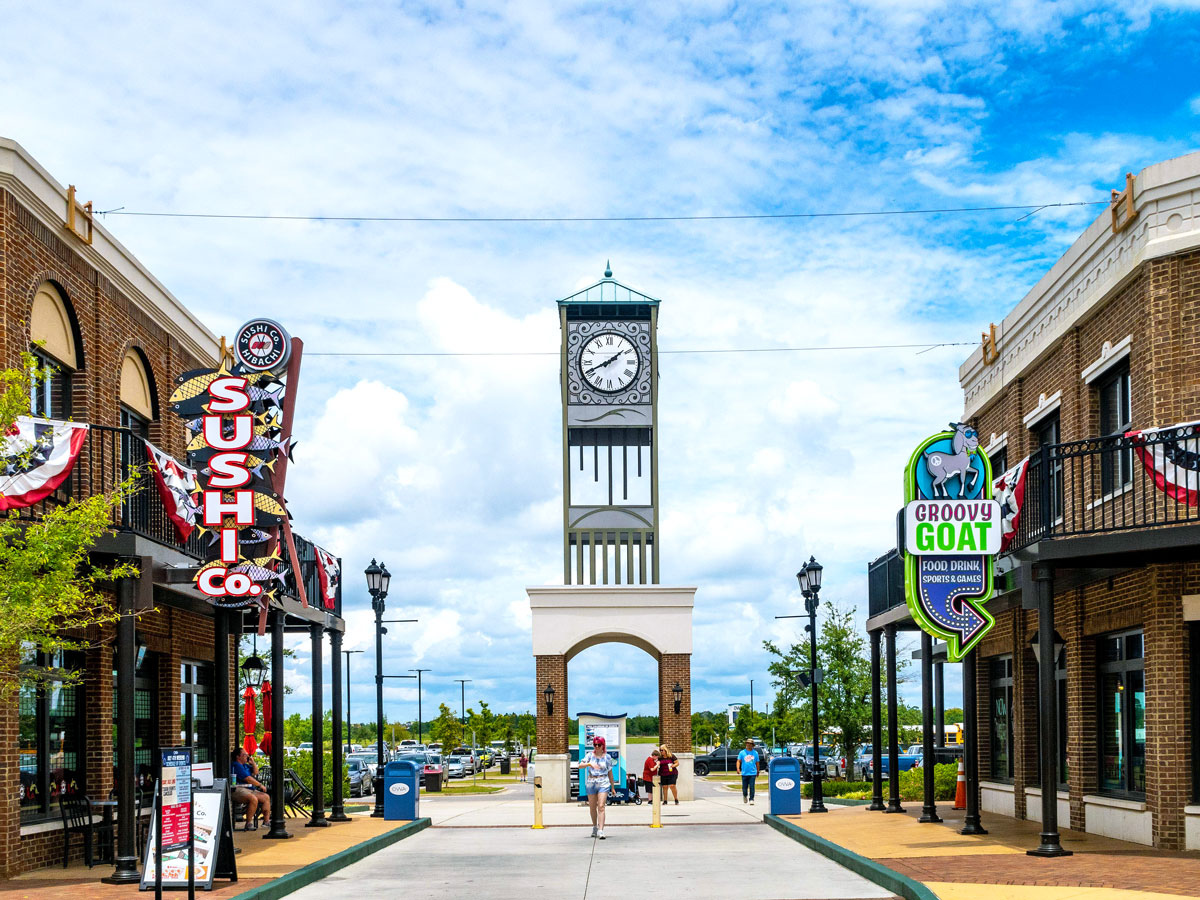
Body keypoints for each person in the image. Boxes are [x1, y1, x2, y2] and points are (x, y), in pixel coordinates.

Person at [582, 736, 616, 839]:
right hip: (591, 781)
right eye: (595, 745)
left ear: (603, 746)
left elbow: (610, 773)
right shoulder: (589, 755)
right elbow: (580, 765)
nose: (597, 747)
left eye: (599, 745)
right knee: (592, 807)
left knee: (601, 806)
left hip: (603, 782)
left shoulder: (607, 757)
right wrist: (589, 764)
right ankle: (594, 827)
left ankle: (601, 830)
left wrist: (613, 787)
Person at [231, 748, 271, 830]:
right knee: (253, 799)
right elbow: (248, 778)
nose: (247, 756)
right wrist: (260, 785)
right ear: (238, 757)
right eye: (244, 755)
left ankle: (266, 821)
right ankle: (248, 823)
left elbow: (256, 772)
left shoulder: (245, 765)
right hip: (238, 789)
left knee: (266, 797)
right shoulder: (236, 765)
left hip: (249, 789)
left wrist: (253, 763)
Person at [737, 738, 759, 805]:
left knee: (752, 786)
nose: (748, 745)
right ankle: (745, 795)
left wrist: (758, 771)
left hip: (752, 772)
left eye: (750, 744)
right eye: (747, 743)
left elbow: (757, 762)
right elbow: (738, 761)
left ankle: (751, 799)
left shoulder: (755, 753)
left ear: (752, 745)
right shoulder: (742, 752)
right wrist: (738, 768)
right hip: (744, 772)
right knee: (744, 787)